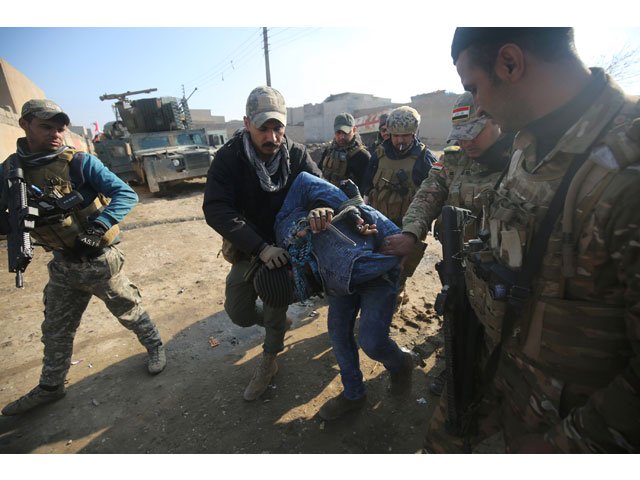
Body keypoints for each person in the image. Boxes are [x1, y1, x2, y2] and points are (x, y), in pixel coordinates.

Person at [424, 27, 640, 453]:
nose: (477, 104)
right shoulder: (527, 139)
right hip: (490, 379)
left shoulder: (625, 169)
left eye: (474, 87)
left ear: (510, 63)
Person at [0, 99, 166, 416]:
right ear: (25, 125)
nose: (56, 133)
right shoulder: (10, 171)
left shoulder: (79, 162)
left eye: (60, 127)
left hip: (100, 259)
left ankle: (156, 346)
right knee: (56, 329)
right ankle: (51, 386)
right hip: (63, 264)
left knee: (129, 310)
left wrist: (99, 226)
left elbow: (126, 193)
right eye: (46, 126)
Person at [380, 92, 513, 396]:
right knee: (457, 313)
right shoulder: (453, 158)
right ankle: (454, 365)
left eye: (473, 133)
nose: (466, 142)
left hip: (502, 268)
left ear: (497, 121)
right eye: (460, 135)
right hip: (458, 261)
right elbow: (427, 195)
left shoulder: (521, 159)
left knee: (499, 330)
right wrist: (411, 233)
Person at [202, 86, 322, 402]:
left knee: (273, 298)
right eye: (263, 128)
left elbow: (320, 191)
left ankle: (270, 358)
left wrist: (322, 208)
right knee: (238, 312)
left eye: (277, 127)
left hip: (284, 252)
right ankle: (278, 323)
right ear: (246, 123)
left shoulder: (296, 155)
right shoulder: (230, 158)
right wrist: (259, 247)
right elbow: (216, 208)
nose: (271, 137)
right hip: (249, 248)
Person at [269, 172, 414, 420]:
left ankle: (401, 364)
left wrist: (320, 208)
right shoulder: (295, 248)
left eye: (293, 283)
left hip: (376, 276)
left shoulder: (288, 214)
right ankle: (354, 395)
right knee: (338, 336)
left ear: (289, 272)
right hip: (340, 281)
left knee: (372, 342)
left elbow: (314, 184)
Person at [362, 106, 437, 301]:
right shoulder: (378, 155)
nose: (401, 141)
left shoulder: (424, 158)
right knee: (377, 260)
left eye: (406, 135)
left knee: (402, 265)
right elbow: (367, 184)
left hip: (407, 224)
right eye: (396, 136)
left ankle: (399, 288)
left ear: (414, 133)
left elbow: (433, 195)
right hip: (379, 219)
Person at [318, 113, 370, 190]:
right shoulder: (328, 151)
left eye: (346, 132)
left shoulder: (362, 156)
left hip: (350, 201)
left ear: (354, 130)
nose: (342, 137)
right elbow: (318, 174)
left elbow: (366, 187)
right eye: (338, 132)